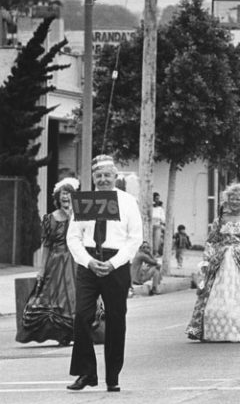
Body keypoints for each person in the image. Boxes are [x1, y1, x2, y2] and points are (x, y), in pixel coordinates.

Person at [65, 155, 143, 392]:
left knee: (116, 319)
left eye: (107, 175)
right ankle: (86, 372)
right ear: (93, 178)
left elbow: (135, 238)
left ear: (115, 176)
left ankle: (113, 376)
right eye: (98, 176)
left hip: (116, 264)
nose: (103, 180)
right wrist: (88, 262)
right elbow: (73, 237)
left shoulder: (128, 202)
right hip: (88, 263)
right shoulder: (85, 202)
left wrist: (114, 262)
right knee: (82, 316)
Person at [185, 183, 240, 342]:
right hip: (221, 261)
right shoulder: (221, 219)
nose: (235, 202)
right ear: (227, 200)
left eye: (238, 199)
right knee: (217, 295)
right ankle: (216, 329)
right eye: (232, 199)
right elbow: (212, 241)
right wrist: (207, 258)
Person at [17, 178, 80, 346]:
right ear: (58, 197)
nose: (66, 197)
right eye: (63, 194)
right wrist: (42, 269)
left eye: (69, 194)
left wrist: (72, 215)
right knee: (55, 299)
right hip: (56, 263)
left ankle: (78, 332)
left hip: (76, 261)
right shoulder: (50, 218)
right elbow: (46, 246)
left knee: (75, 297)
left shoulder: (80, 217)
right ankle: (62, 334)